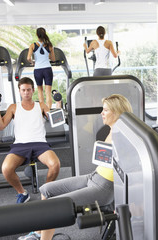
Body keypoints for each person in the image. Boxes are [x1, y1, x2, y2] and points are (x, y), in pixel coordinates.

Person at [18, 94, 133, 240]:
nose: (101, 113)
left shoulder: (122, 135)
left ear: (116, 112)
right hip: (94, 176)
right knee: (46, 190)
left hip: (103, 187)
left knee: (52, 206)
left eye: (105, 110)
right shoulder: (112, 129)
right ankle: (39, 233)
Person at [0, 77, 60, 204]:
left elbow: (55, 120)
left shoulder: (41, 105)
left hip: (40, 144)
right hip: (20, 145)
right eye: (23, 90)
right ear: (19, 91)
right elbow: (0, 126)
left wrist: (58, 105)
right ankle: (22, 193)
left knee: (55, 164)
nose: (26, 93)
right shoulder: (13, 107)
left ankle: (46, 192)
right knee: (6, 168)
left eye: (28, 90)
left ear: (33, 90)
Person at [27, 27, 55, 109]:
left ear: (37, 34)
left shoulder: (32, 45)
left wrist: (33, 62)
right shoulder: (50, 45)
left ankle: (43, 110)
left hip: (38, 69)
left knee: (40, 90)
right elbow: (53, 59)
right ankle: (48, 111)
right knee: (48, 92)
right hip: (47, 69)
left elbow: (28, 58)